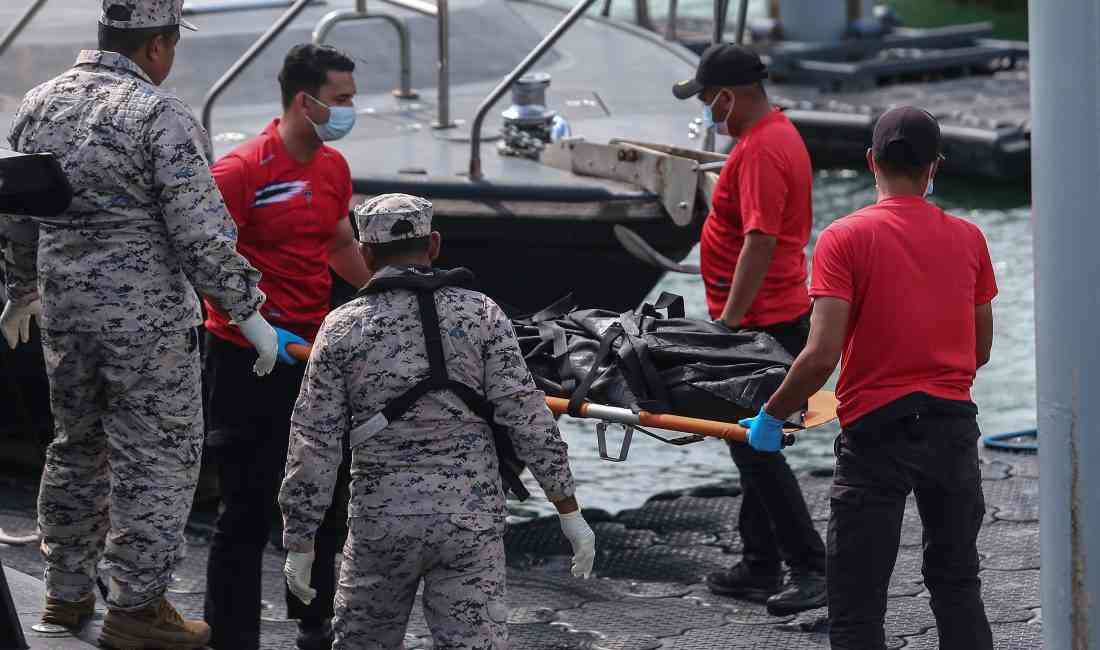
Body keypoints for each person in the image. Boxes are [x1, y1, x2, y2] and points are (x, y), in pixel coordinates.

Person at [1, 1, 282, 648]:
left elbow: (12, 205)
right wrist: (250, 312)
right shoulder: (158, 114)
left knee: (74, 447)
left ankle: (65, 595)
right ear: (157, 46)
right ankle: (136, 607)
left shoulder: (39, 103)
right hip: (145, 321)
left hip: (66, 310)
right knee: (157, 458)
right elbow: (200, 232)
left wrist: (22, 290)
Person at [278, 194, 597, 649]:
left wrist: (300, 538)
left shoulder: (341, 327)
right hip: (470, 522)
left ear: (366, 254)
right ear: (434, 245)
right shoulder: (483, 314)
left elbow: (313, 442)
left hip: (382, 523)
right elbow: (528, 418)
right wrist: (568, 510)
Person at [739, 106, 996, 649]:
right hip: (953, 428)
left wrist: (771, 415)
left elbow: (819, 355)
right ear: (936, 167)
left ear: (870, 162)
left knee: (856, 607)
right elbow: (981, 350)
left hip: (877, 432)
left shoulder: (843, 237)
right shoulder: (970, 238)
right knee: (957, 584)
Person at [201, 43, 372, 650]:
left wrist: (394, 292)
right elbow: (206, 264)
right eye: (343, 99)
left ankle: (314, 623)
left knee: (323, 500)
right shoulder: (240, 170)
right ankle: (232, 637)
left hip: (314, 355)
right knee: (246, 507)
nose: (352, 109)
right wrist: (252, 326)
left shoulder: (334, 169)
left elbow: (338, 246)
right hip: (248, 356)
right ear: (307, 100)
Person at [671, 42, 826, 614]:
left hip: (763, 321)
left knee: (756, 448)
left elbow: (759, 241)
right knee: (749, 442)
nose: (709, 111)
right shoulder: (775, 136)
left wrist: (729, 325)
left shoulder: (761, 149)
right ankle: (760, 562)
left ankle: (809, 565)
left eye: (710, 100)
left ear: (729, 97)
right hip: (778, 313)